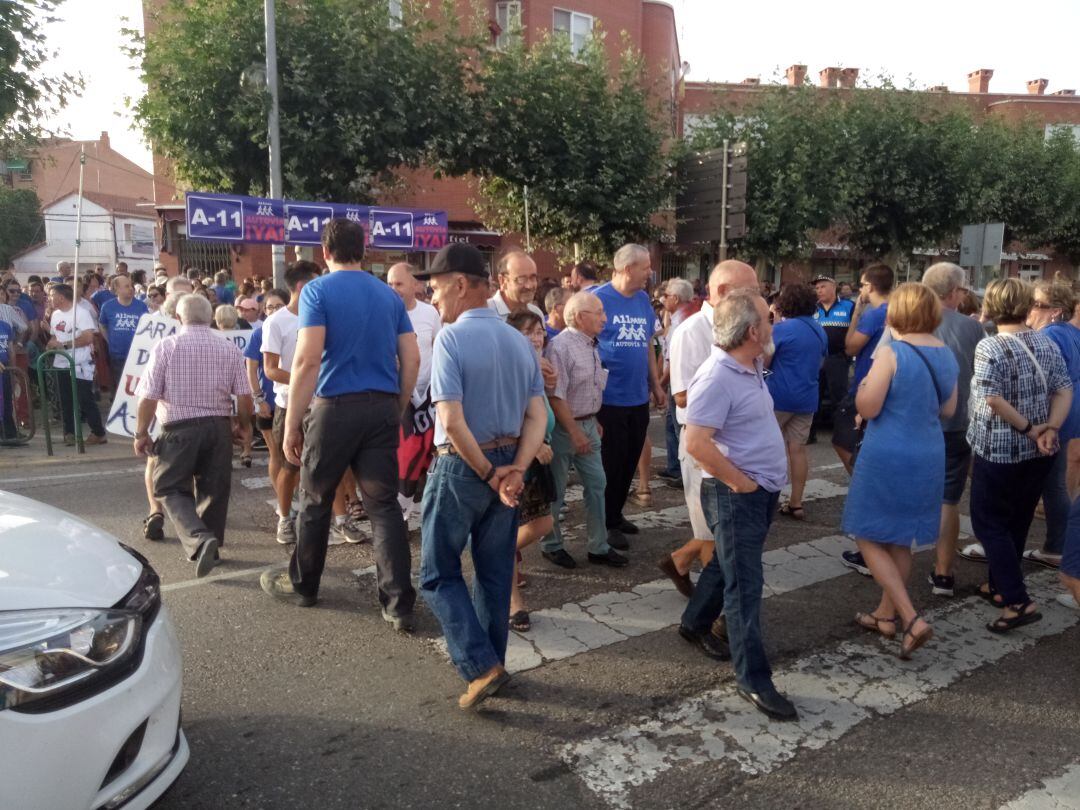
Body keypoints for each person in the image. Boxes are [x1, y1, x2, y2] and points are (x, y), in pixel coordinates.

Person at [260, 219, 418, 632]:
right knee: (382, 506)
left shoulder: (316, 290)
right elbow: (412, 359)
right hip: (382, 406)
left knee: (315, 499)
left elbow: (308, 359)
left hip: (334, 408)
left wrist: (293, 422)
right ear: (362, 251)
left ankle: (305, 586)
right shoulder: (388, 295)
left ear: (324, 252)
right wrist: (397, 405)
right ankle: (399, 604)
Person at [413, 242, 547, 709]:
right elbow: (538, 417)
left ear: (461, 285)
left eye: (435, 289)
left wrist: (492, 473)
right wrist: (516, 470)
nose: (434, 299)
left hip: (463, 466)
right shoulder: (518, 338)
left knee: (436, 572)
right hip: (509, 461)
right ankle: (495, 664)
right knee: (493, 572)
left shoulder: (450, 338)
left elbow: (450, 419)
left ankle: (480, 665)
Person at [678, 289, 797, 721]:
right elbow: (695, 443)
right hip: (736, 495)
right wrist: (741, 484)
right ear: (751, 331)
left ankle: (692, 623)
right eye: (768, 320)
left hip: (757, 492)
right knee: (744, 586)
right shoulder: (716, 377)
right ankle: (754, 680)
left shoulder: (750, 363)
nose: (773, 325)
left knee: (725, 564)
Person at [841, 283, 959, 656]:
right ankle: (885, 616)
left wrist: (862, 389)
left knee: (865, 531)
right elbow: (949, 410)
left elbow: (870, 407)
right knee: (899, 537)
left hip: (888, 451)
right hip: (928, 451)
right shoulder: (946, 353)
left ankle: (910, 617)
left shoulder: (892, 352)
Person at [966, 278, 1072, 634]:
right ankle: (998, 585)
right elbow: (1064, 388)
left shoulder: (989, 347)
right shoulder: (1045, 341)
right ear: (1028, 306)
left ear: (992, 308)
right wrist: (1050, 429)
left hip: (1000, 449)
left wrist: (1028, 428)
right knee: (1018, 520)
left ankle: (1017, 599)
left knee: (988, 522)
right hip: (1041, 450)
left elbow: (992, 399)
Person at [133, 294, 253, 576]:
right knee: (214, 488)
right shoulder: (228, 349)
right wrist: (243, 426)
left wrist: (141, 432)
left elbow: (148, 397)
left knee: (168, 487)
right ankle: (210, 546)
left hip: (179, 428)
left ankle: (200, 540)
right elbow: (244, 397)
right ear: (211, 318)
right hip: (218, 427)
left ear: (177, 317)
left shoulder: (166, 347)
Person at [660, 261, 759, 597]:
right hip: (704, 447)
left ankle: (680, 562)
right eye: (750, 292)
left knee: (717, 531)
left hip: (736, 446)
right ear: (721, 292)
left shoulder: (744, 326)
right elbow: (681, 396)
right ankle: (711, 610)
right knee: (714, 535)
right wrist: (726, 390)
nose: (757, 299)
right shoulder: (691, 331)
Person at [541, 291, 623, 568]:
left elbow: (586, 387)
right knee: (557, 492)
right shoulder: (561, 347)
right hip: (567, 429)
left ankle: (598, 546)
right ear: (579, 316)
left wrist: (592, 420)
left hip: (587, 423)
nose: (604, 317)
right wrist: (575, 431)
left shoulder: (590, 344)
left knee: (597, 484)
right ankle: (551, 544)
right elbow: (556, 395)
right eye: (598, 312)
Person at [594, 244, 666, 551]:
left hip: (637, 396)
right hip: (609, 398)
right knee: (611, 463)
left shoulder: (641, 301)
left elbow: (648, 344)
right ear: (627, 269)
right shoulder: (598, 298)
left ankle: (617, 513)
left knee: (629, 459)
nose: (650, 272)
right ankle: (606, 523)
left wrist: (655, 384)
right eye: (645, 267)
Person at [834, 264, 894, 576]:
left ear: (870, 285)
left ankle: (865, 491)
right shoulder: (897, 311)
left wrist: (856, 312)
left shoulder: (873, 313)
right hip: (886, 391)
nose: (859, 290)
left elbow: (850, 346)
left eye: (861, 284)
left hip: (865, 389)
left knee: (845, 443)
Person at [1019, 281, 1080, 571]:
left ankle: (1058, 546)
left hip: (1053, 417)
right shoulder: (1069, 331)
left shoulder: (1052, 335)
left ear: (1055, 311)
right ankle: (1058, 546)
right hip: (1066, 416)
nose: (1029, 309)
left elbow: (1044, 381)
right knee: (1053, 483)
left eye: (1037, 304)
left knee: (1048, 484)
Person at [505, 310, 557, 631]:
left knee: (543, 523)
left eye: (539, 331)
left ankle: (496, 556)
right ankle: (514, 604)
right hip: (518, 461)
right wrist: (534, 444)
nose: (536, 338)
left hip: (539, 461)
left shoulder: (536, 368)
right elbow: (509, 416)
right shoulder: (513, 370)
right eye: (528, 333)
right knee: (510, 528)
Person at [766, 283, 828, 520]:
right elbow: (821, 362)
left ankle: (768, 496)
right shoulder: (818, 329)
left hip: (779, 396)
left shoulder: (782, 329)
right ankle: (796, 502)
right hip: (807, 397)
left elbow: (765, 362)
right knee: (797, 450)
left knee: (772, 448)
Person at [387, 262, 442, 519]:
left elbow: (438, 348)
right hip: (398, 395)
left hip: (429, 395)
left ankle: (429, 506)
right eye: (389, 283)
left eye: (398, 283)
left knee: (430, 451)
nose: (393, 289)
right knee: (405, 454)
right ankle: (401, 512)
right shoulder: (382, 312)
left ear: (415, 285)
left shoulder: (430, 313)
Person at [46, 284, 107, 446]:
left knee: (84, 398)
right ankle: (69, 433)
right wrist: (50, 345)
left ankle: (98, 432)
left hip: (79, 363)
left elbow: (87, 338)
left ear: (60, 296)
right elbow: (54, 336)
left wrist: (64, 345)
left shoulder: (81, 313)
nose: (49, 299)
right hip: (61, 363)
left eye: (51, 295)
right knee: (65, 400)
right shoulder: (55, 315)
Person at [245, 289, 288, 503]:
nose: (273, 311)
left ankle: (293, 494)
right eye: (269, 307)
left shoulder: (295, 327)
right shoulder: (258, 334)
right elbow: (251, 369)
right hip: (269, 403)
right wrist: (258, 399)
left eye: (278, 306)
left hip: (292, 400)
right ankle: (283, 499)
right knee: (276, 455)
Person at [659, 278, 698, 484]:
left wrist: (661, 384)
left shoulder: (683, 322)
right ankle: (675, 466)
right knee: (670, 424)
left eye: (666, 295)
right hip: (676, 380)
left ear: (675, 298)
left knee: (678, 425)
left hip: (679, 383)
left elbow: (673, 360)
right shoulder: (676, 319)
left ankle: (683, 472)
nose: (662, 299)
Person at [811, 275, 855, 440]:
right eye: (817, 288)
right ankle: (810, 434)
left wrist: (847, 354)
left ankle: (841, 435)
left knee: (840, 398)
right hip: (816, 360)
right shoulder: (812, 308)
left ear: (833, 287)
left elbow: (856, 330)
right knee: (815, 396)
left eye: (822, 286)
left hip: (838, 359)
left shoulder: (849, 306)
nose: (819, 290)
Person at [98, 275, 149, 391]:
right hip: (117, 355)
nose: (131, 288)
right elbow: (102, 325)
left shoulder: (141, 306)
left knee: (136, 387)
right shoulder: (108, 306)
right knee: (120, 387)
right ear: (116, 290)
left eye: (131, 285)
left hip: (137, 355)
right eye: (126, 286)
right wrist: (109, 340)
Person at [488, 251, 544, 320]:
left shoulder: (536, 313)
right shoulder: (485, 314)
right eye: (521, 279)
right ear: (502, 281)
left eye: (533, 277)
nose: (529, 286)